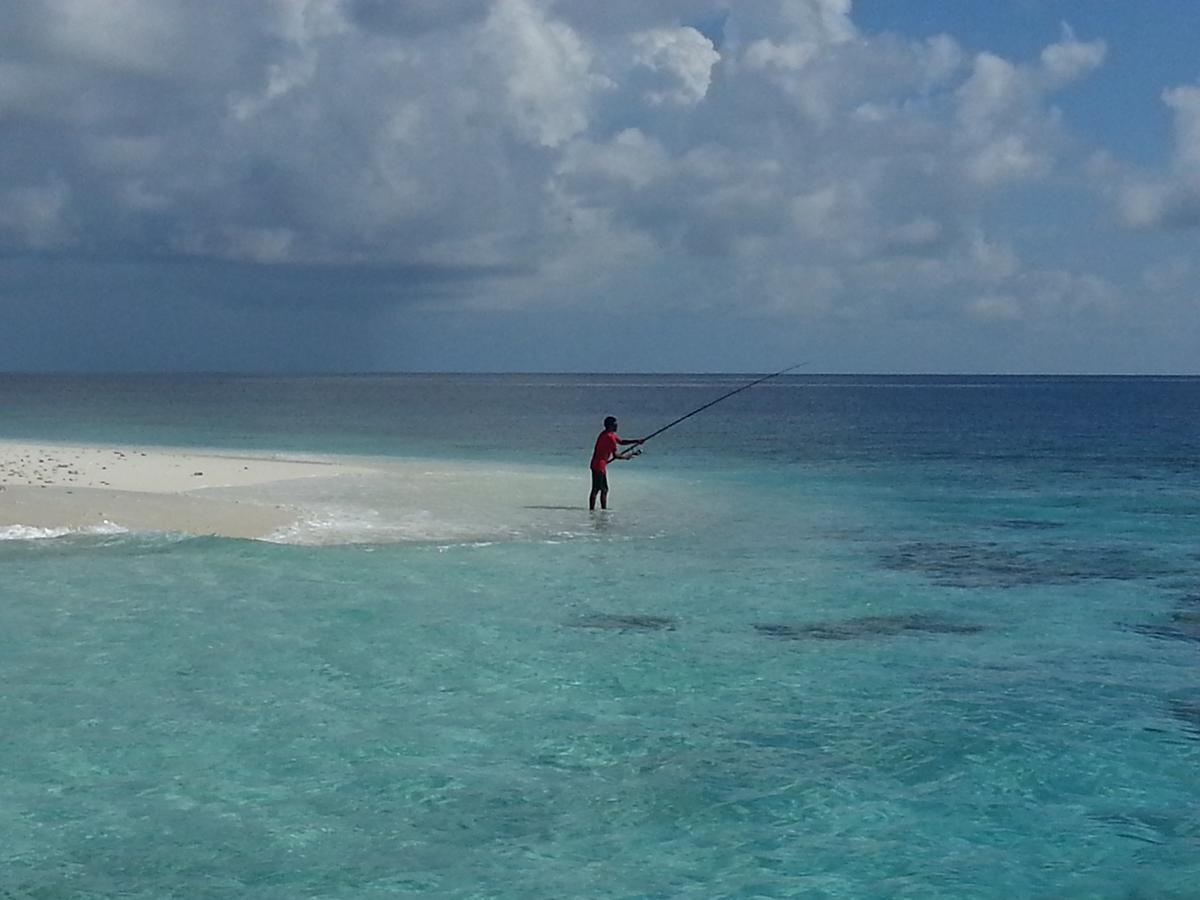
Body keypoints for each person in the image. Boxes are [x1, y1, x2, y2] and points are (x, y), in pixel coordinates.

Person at [589, 416, 642, 510]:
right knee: (601, 489)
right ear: (610, 426)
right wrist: (627, 457)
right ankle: (600, 510)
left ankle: (595, 510)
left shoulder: (607, 434)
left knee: (598, 489)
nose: (617, 426)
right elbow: (616, 455)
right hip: (599, 466)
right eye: (615, 424)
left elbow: (621, 442)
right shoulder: (610, 437)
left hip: (597, 464)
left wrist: (636, 441)